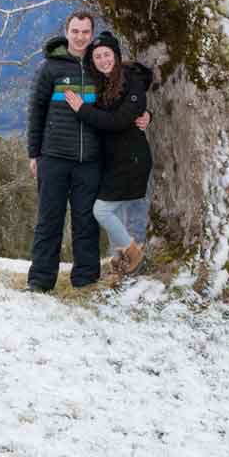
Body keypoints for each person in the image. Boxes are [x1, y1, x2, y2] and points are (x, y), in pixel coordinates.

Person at [62, 32, 155, 277]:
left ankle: (133, 254)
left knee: (101, 211)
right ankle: (121, 260)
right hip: (112, 161)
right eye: (97, 57)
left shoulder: (131, 81)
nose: (103, 60)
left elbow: (119, 120)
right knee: (115, 211)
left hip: (131, 160)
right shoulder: (100, 83)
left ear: (116, 55)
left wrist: (81, 110)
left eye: (107, 54)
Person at [25, 10, 102, 291]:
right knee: (49, 220)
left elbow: (122, 96)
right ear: (67, 32)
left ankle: (86, 280)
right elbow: (36, 113)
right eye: (75, 31)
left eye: (85, 32)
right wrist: (34, 154)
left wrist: (147, 116)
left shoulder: (99, 66)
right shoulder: (50, 68)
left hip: (90, 160)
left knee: (86, 222)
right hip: (53, 157)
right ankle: (40, 281)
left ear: (91, 34)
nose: (81, 37)